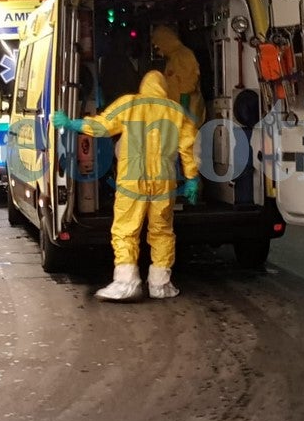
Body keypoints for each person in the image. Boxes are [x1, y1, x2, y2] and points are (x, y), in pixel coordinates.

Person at [51, 70, 200, 301]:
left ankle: (126, 281)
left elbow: (102, 126)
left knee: (125, 230)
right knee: (162, 231)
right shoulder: (177, 111)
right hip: (164, 181)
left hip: (133, 179)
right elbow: (187, 148)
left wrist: (72, 123)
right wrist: (192, 178)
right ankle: (161, 284)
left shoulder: (130, 103)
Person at [151, 25, 205, 127]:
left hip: (187, 120)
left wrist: (182, 117)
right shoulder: (173, 58)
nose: (157, 49)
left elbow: (186, 87)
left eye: (157, 45)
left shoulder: (183, 55)